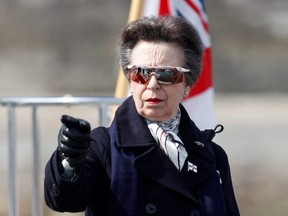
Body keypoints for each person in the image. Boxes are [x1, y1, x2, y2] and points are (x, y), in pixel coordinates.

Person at [44, 16, 240, 216]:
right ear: (130, 79)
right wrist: (69, 159)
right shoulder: (102, 145)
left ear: (187, 85)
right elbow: (65, 201)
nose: (152, 84)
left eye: (166, 74)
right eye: (141, 73)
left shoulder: (212, 155)